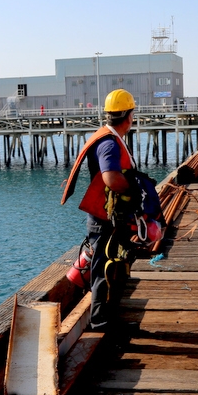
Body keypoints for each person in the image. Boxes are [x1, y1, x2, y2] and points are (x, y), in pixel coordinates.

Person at [61, 88, 140, 330]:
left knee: (112, 266)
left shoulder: (110, 138)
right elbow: (110, 178)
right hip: (104, 219)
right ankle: (99, 320)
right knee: (103, 269)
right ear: (128, 116)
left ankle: (107, 317)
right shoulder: (109, 143)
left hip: (109, 217)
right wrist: (135, 190)